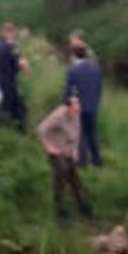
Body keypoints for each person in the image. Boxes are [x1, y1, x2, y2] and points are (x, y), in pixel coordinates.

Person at [37, 94, 92, 224]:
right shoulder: (58, 116)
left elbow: (77, 133)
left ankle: (83, 206)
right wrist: (48, 146)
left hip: (68, 149)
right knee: (61, 173)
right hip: (56, 150)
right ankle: (59, 210)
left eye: (78, 108)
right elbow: (41, 130)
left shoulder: (77, 115)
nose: (76, 111)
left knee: (75, 178)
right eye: (74, 109)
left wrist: (75, 150)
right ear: (67, 108)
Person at [63, 33, 103, 167]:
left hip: (79, 106)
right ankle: (97, 160)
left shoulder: (73, 70)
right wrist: (96, 102)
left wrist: (67, 104)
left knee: (81, 135)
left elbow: (69, 91)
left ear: (74, 56)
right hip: (93, 105)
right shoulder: (96, 69)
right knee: (93, 133)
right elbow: (99, 88)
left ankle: (83, 161)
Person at [0, 21, 29, 131]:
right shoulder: (7, 46)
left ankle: (14, 128)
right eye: (13, 33)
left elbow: (14, 60)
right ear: (7, 32)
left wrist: (20, 61)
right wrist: (23, 64)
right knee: (12, 106)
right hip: (8, 81)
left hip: (4, 80)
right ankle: (11, 129)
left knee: (11, 105)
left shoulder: (0, 45)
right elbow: (17, 62)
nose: (14, 35)